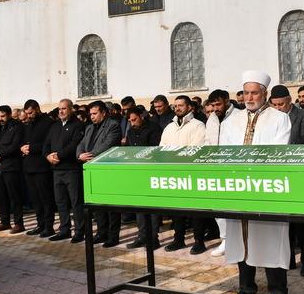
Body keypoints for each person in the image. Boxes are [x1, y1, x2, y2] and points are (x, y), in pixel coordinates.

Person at [219, 71, 293, 294]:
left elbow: (278, 153)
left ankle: (279, 292)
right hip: (239, 188)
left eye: (254, 92)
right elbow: (225, 153)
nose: (249, 97)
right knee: (241, 241)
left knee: (271, 240)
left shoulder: (279, 118)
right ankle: (246, 288)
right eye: (246, 93)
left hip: (265, 188)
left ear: (265, 94)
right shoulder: (231, 120)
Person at [269, 85, 304, 276]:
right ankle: (287, 259)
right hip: (278, 176)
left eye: (281, 104)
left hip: (298, 175)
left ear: (290, 101)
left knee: (302, 224)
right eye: (275, 105)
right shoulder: (270, 120)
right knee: (282, 224)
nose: (278, 108)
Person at [161, 96, 212, 255]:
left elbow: (197, 149)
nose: (177, 108)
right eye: (175, 105)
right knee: (177, 211)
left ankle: (199, 241)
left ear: (190, 107)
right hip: (173, 174)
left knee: (195, 211)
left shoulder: (198, 125)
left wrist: (178, 156)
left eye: (181, 105)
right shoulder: (170, 127)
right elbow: (162, 148)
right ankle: (178, 239)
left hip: (191, 174)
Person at [77, 101, 123, 247]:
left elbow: (107, 146)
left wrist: (88, 155)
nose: (92, 116)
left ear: (103, 112)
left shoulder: (113, 125)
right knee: (97, 205)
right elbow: (81, 144)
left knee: (111, 207)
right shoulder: (90, 127)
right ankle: (101, 233)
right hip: (92, 170)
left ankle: (113, 236)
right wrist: (79, 155)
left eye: (95, 113)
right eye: (90, 114)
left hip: (107, 169)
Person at [43, 99, 86, 242]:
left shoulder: (78, 125)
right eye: (59, 108)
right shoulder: (54, 126)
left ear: (71, 109)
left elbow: (74, 145)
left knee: (76, 202)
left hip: (71, 170)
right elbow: (46, 144)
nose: (61, 111)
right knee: (60, 202)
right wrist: (48, 156)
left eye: (64, 109)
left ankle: (80, 231)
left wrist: (58, 155)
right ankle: (64, 229)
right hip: (56, 170)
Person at [204, 89, 237, 257]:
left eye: (218, 104)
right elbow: (208, 141)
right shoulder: (211, 119)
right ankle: (225, 239)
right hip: (214, 168)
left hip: (232, 168)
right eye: (213, 105)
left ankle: (236, 240)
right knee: (218, 208)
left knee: (234, 208)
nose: (216, 108)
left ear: (227, 101)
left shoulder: (238, 115)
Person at [124, 108, 163, 249]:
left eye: (134, 119)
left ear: (141, 116)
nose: (132, 123)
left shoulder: (153, 128)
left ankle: (153, 238)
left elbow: (155, 150)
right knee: (138, 207)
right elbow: (129, 149)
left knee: (151, 207)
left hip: (150, 171)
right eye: (130, 120)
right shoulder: (130, 131)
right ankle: (142, 236)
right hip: (136, 172)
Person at [22, 99, 56, 237]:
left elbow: (49, 143)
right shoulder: (28, 124)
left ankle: (49, 226)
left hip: (42, 166)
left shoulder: (48, 123)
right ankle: (40, 224)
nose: (29, 116)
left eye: (30, 113)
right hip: (29, 166)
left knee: (46, 198)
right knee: (35, 199)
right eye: (27, 113)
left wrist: (31, 148)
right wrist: (22, 147)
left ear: (37, 109)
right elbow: (24, 141)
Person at [0, 105, 27, 234]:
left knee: (14, 196)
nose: (0, 119)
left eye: (3, 116)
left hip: (11, 166)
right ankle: (5, 222)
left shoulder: (16, 126)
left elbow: (15, 145)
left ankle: (19, 223)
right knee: (1, 197)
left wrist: (0, 155)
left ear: (9, 114)